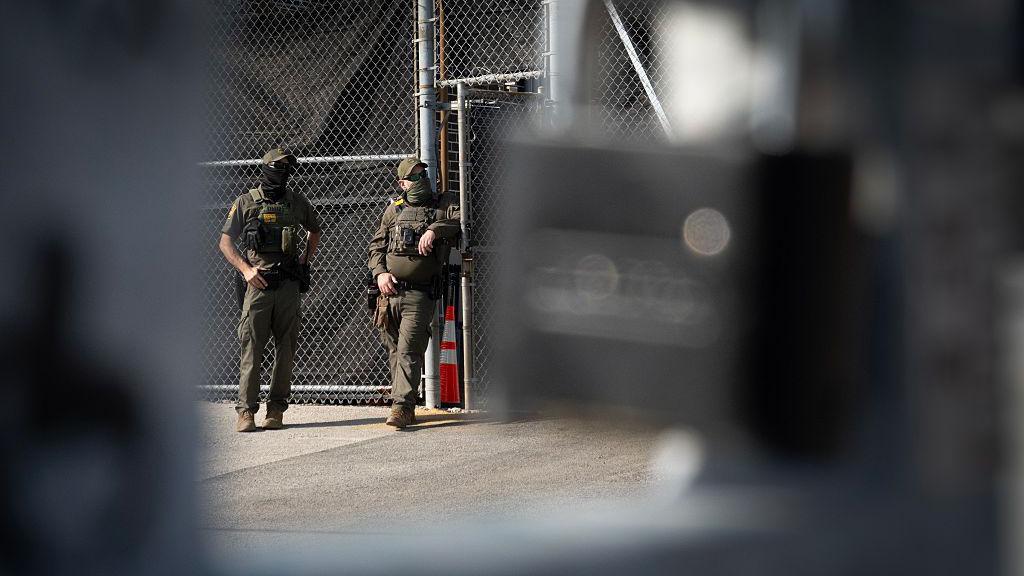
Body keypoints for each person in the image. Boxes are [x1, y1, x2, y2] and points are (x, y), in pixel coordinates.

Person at [219, 148, 321, 432]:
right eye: (278, 169)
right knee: (251, 348)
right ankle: (246, 412)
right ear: (266, 170)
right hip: (259, 285)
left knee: (285, 349)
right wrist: (246, 270)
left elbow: (315, 230)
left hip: (287, 285)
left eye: (287, 170)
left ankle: (276, 410)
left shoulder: (296, 201)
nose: (283, 175)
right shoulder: (246, 202)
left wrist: (304, 259)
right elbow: (226, 243)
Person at [368, 157, 460, 428]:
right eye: (414, 177)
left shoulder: (441, 203)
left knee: (409, 349)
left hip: (419, 295)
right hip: (389, 293)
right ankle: (403, 400)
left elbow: (458, 220)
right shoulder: (394, 210)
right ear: (402, 184)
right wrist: (380, 273)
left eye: (423, 175)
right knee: (395, 349)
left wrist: (433, 229)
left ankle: (402, 408)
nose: (421, 181)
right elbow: (376, 248)